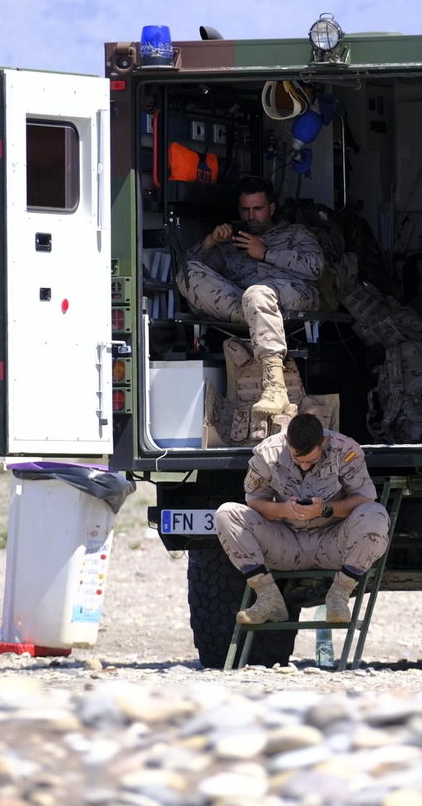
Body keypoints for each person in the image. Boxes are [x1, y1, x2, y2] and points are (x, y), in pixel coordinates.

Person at [215, 413, 390, 625]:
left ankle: (339, 596)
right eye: (298, 460)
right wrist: (282, 510)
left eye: (311, 460)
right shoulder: (268, 453)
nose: (305, 466)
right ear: (287, 441)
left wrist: (326, 509)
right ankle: (268, 597)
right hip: (287, 543)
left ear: (323, 442)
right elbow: (255, 501)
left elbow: (365, 498)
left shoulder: (344, 449)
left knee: (375, 514)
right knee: (226, 514)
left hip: (334, 543)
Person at [174, 175, 324, 419]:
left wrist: (266, 253)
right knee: (189, 274)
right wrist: (211, 241)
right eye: (245, 209)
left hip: (291, 293)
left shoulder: (294, 233)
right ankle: (253, 314)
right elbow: (188, 269)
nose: (251, 216)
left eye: (257, 209)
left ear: (271, 208)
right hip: (243, 302)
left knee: (257, 293)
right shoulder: (231, 243)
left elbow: (316, 267)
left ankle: (275, 386)